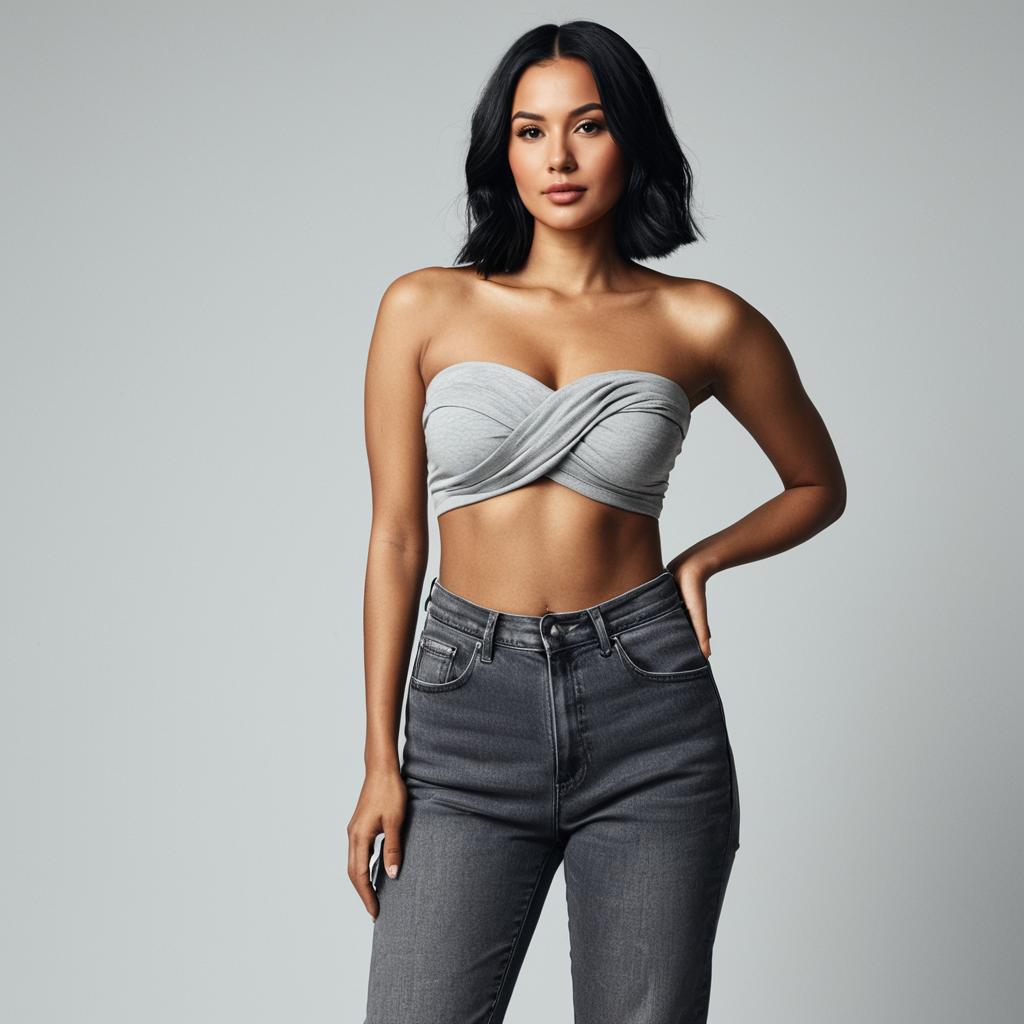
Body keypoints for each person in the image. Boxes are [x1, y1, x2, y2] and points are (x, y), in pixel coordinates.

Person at [351, 19, 846, 1024]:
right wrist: (377, 757)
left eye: (587, 125)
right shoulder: (423, 307)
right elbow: (398, 537)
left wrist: (702, 559)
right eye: (531, 132)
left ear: (632, 140)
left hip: (648, 713)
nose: (560, 158)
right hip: (463, 711)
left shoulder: (701, 320)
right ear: (503, 150)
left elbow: (814, 483)